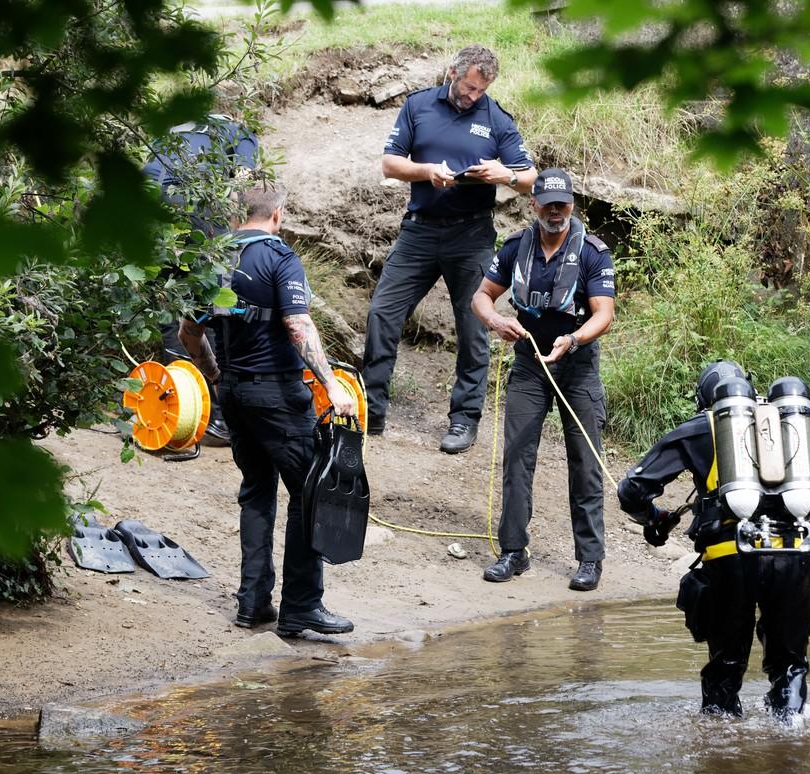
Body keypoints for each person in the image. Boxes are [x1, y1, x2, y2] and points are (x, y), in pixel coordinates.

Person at [616, 361, 810, 721]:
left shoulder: (700, 429)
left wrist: (654, 519)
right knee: (790, 665)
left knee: (725, 665)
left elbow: (631, 491)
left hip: (729, 559)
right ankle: (790, 738)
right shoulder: (794, 426)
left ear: (705, 399)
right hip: (794, 556)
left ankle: (720, 740)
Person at [178, 182, 358, 637]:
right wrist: (331, 384)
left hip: (235, 396)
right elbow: (297, 325)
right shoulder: (280, 258)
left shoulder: (213, 261)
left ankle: (253, 603)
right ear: (277, 214)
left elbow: (187, 333)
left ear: (237, 215)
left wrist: (216, 375)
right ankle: (301, 607)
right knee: (309, 493)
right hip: (278, 397)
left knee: (257, 491)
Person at [365, 44, 537, 453]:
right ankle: (370, 410)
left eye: (481, 91)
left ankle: (464, 420)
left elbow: (530, 178)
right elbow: (390, 163)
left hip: (472, 236)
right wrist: (427, 171)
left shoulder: (496, 118)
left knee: (474, 326)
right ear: (452, 73)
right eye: (469, 87)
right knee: (382, 314)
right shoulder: (418, 105)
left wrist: (505, 175)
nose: (473, 96)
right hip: (419, 231)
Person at [472, 169, 615, 591]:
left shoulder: (592, 252)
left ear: (572, 204)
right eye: (548, 203)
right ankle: (513, 551)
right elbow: (481, 295)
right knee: (517, 456)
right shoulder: (516, 246)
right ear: (533, 203)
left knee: (585, 462)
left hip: (577, 363)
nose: (555, 211)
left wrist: (573, 340)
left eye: (562, 204)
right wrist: (496, 321)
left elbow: (604, 314)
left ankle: (589, 559)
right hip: (530, 362)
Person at [148, 114, 260, 451]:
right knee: (209, 307)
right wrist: (234, 240)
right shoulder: (240, 132)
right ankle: (219, 417)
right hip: (197, 205)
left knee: (171, 308)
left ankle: (178, 408)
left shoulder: (173, 128)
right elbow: (242, 184)